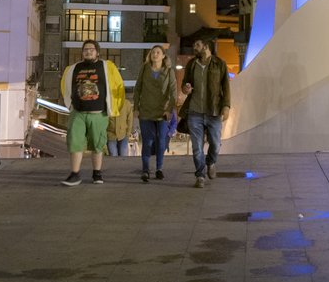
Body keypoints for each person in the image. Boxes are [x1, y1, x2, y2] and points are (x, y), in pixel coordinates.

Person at [60, 40, 125, 186]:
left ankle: (97, 173)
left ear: (97, 52)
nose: (88, 51)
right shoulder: (73, 68)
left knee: (97, 144)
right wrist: (70, 105)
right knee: (74, 142)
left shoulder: (107, 67)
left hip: (98, 113)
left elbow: (118, 85)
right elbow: (65, 86)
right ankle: (75, 174)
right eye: (85, 49)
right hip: (78, 113)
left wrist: (115, 107)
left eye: (91, 49)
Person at [181, 38, 230, 188]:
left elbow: (226, 87)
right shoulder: (192, 64)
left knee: (215, 143)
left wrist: (226, 106)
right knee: (197, 147)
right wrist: (185, 89)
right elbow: (185, 84)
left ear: (206, 46)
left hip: (213, 111)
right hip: (194, 112)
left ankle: (211, 162)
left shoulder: (219, 64)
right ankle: (200, 175)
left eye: (197, 44)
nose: (194, 47)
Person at [134, 45, 177, 182]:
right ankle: (145, 170)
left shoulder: (169, 71)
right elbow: (137, 88)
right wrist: (136, 107)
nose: (155, 54)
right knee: (147, 141)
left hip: (162, 112)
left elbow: (173, 92)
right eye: (153, 52)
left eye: (158, 52)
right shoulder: (144, 68)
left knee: (161, 140)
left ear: (163, 56)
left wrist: (169, 109)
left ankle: (159, 169)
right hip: (146, 111)